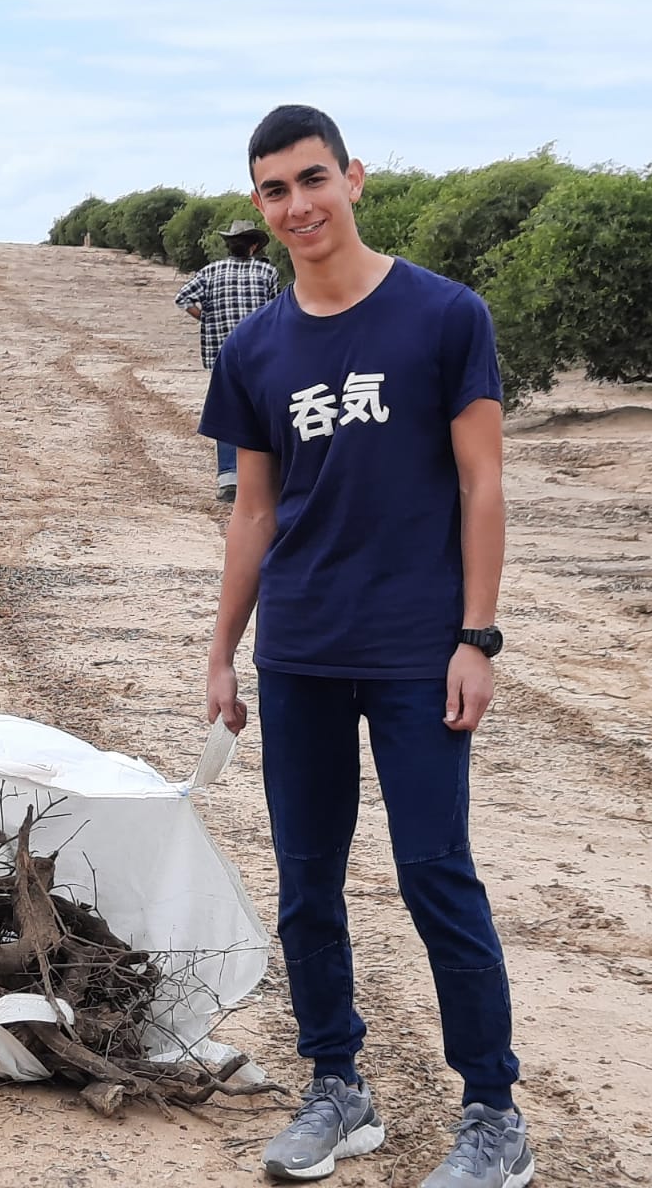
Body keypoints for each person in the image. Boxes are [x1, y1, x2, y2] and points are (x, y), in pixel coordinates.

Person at [199, 104, 531, 1188]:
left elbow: (482, 483)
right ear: (258, 204)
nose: (297, 206)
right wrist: (222, 650)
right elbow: (254, 511)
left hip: (415, 650)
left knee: (436, 873)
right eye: (274, 190)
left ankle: (493, 1115)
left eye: (312, 180)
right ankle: (337, 1087)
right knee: (307, 881)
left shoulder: (444, 315)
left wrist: (476, 636)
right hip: (299, 648)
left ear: (353, 177)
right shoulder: (255, 347)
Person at [176, 219, 280, 503]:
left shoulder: (210, 272)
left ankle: (228, 480)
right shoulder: (267, 272)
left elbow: (183, 298)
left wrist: (206, 318)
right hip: (261, 353)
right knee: (261, 414)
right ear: (254, 246)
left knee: (227, 415)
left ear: (229, 245)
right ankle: (264, 480)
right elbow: (275, 311)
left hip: (222, 354)